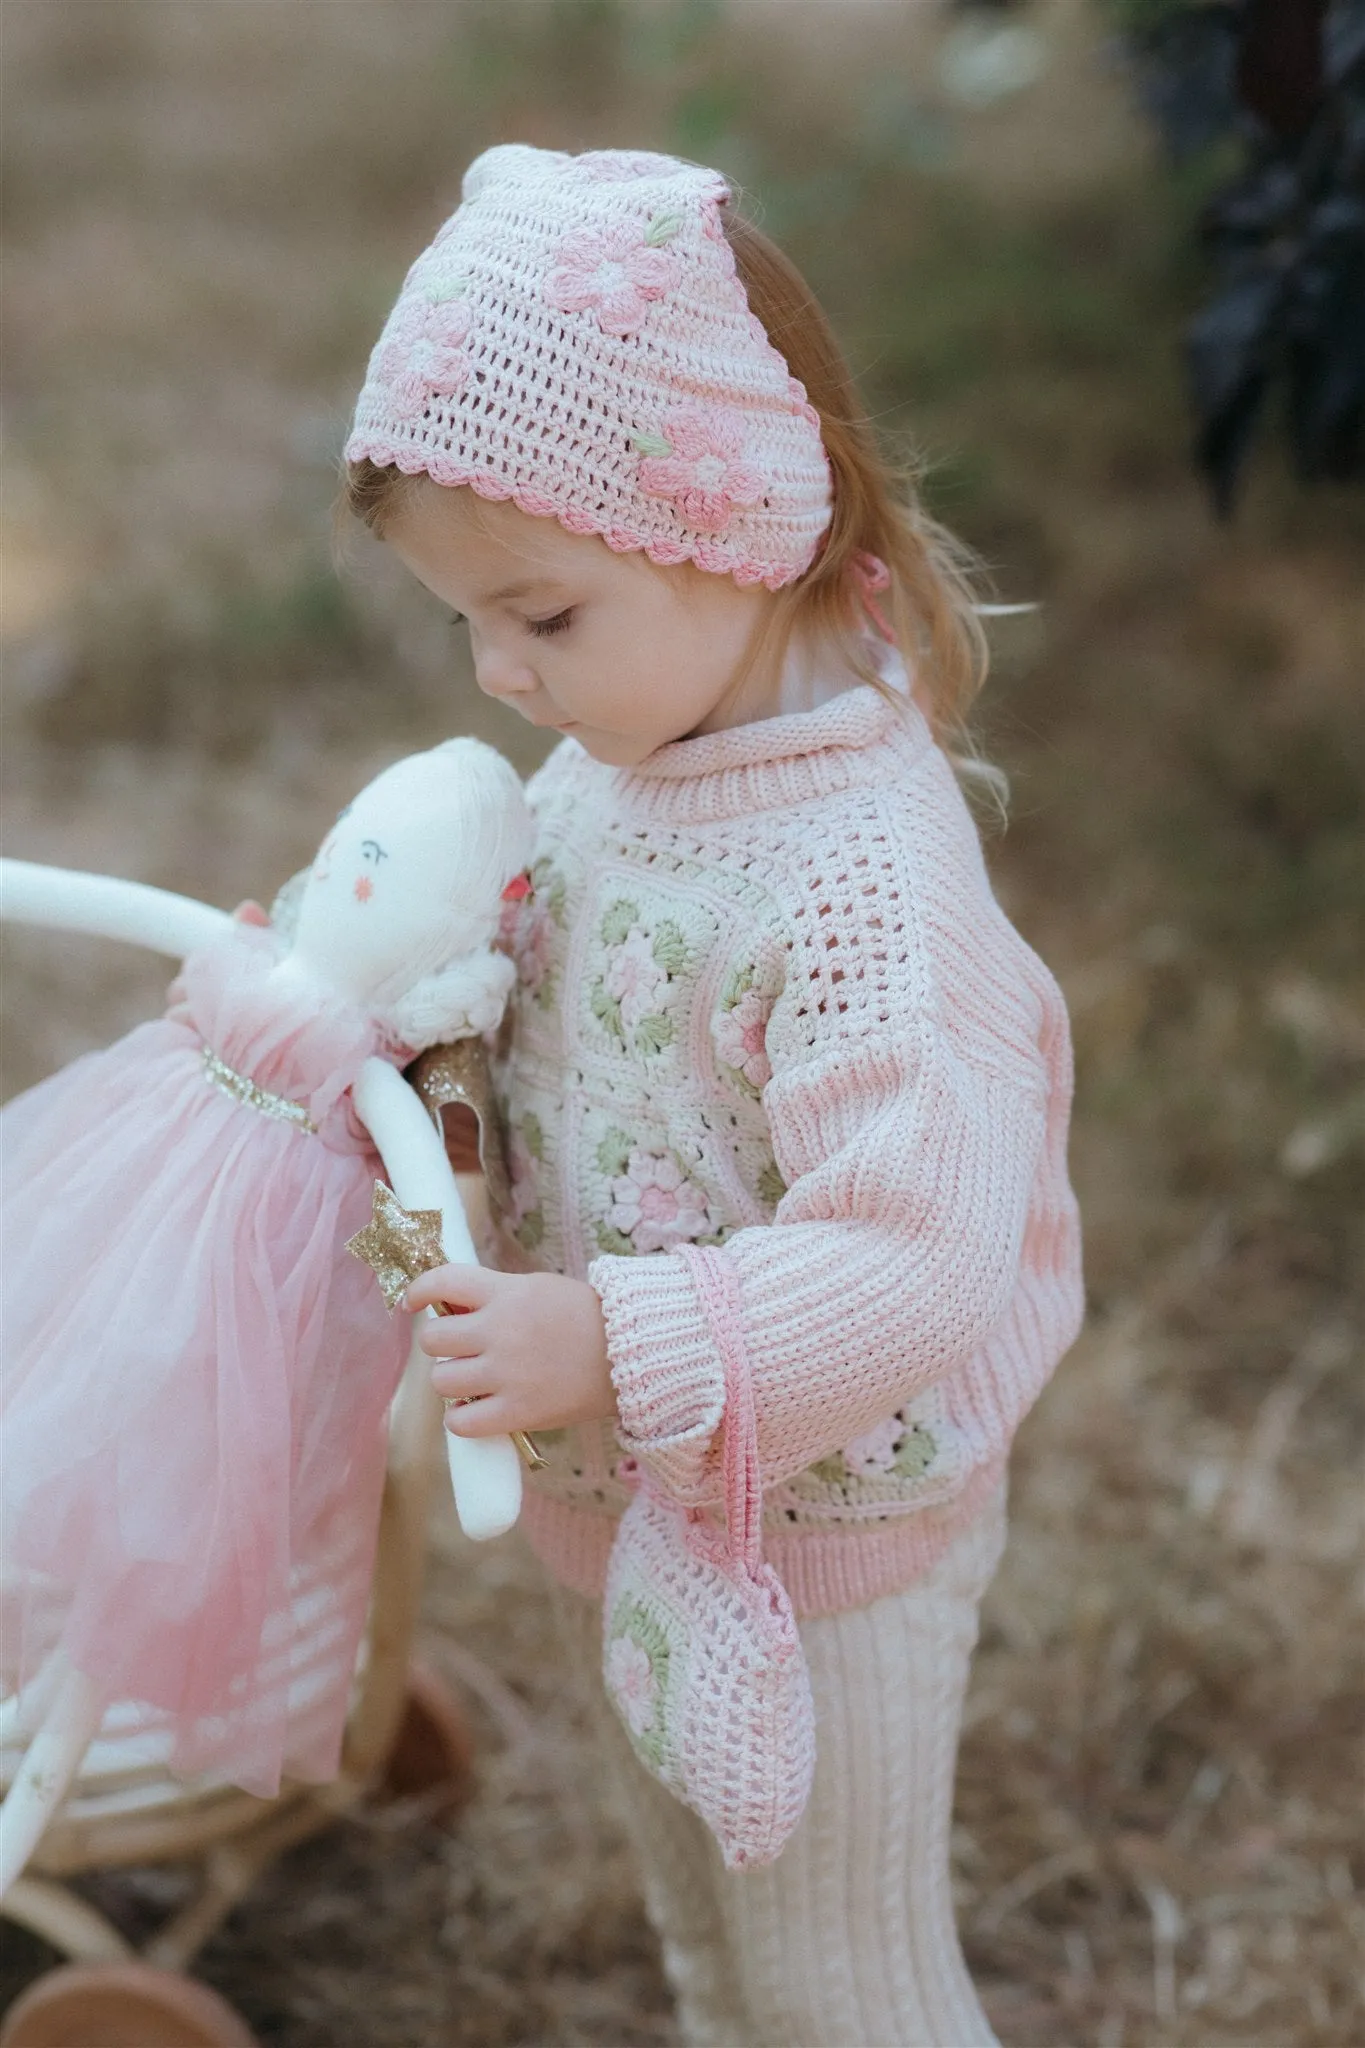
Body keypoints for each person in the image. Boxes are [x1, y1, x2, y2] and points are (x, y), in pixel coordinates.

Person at [339, 143, 1084, 2048]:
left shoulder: (863, 882)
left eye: (546, 615)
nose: (501, 672)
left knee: (846, 1995)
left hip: (817, 1531)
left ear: (729, 529)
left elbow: (917, 1256)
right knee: (714, 1973)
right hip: (637, 1505)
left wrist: (607, 1337)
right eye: (467, 624)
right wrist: (394, 1004)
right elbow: (559, 1028)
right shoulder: (619, 765)